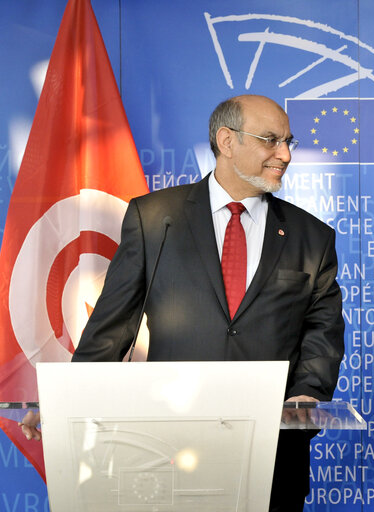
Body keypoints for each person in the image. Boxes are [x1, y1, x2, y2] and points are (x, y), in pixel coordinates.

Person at [22, 95, 345, 511]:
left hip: (272, 452)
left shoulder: (311, 236)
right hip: (165, 448)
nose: (284, 154)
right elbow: (111, 327)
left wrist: (306, 397)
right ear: (226, 141)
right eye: (270, 140)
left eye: (288, 142)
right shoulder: (155, 218)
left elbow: (323, 334)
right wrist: (64, 398)